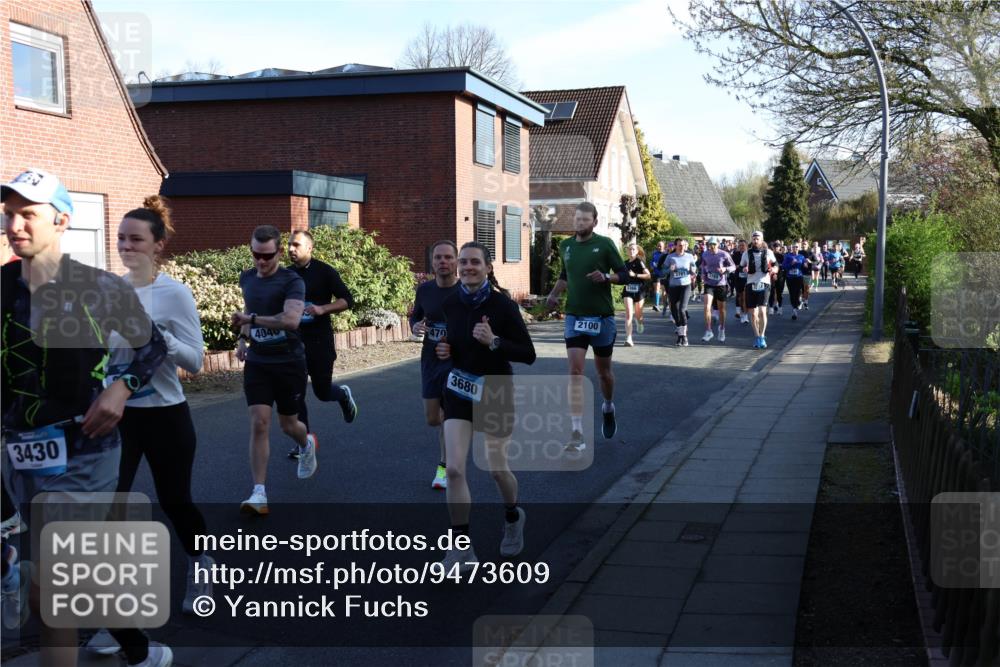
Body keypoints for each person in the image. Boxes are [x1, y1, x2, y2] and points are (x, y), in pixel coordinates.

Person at [1, 168, 172, 667]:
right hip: (15, 452)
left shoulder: (97, 288)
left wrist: (121, 388)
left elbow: (152, 347)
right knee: (67, 578)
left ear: (62, 220)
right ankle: (135, 643)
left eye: (28, 214)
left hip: (84, 450)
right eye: (9, 214)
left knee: (52, 588)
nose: (16, 225)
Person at [85, 197, 214, 657]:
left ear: (158, 245)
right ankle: (118, 617)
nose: (126, 246)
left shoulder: (173, 293)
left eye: (136, 239)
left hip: (165, 414)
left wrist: (157, 335)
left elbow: (196, 362)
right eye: (120, 238)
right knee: (108, 513)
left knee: (175, 501)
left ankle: (203, 565)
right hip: (118, 417)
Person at [434, 241, 536, 570]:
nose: (467, 267)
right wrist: (445, 350)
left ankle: (512, 516)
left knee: (496, 469)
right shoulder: (450, 303)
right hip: (459, 390)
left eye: (474, 262)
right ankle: (462, 549)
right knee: (453, 469)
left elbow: (527, 354)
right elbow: (451, 341)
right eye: (463, 262)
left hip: (494, 390)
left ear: (488, 267)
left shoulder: (502, 306)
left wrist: (493, 341)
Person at [232, 225, 316, 515]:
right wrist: (243, 337)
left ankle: (306, 445)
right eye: (256, 254)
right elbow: (248, 309)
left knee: (289, 425)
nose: (261, 261)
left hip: (289, 362)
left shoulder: (291, 281)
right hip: (258, 363)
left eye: (267, 256)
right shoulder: (247, 278)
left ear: (279, 252)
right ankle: (258, 494)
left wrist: (252, 320)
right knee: (259, 423)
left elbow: (291, 320)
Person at [546, 202, 628, 451]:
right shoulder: (566, 246)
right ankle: (577, 432)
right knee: (575, 372)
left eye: (585, 220)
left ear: (595, 221)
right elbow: (565, 275)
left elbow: (623, 274)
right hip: (574, 317)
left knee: (604, 373)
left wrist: (606, 277)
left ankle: (607, 405)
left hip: (602, 317)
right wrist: (553, 295)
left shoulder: (604, 244)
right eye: (577, 220)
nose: (580, 223)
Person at [286, 230, 357, 461]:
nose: (290, 249)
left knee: (322, 392)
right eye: (289, 245)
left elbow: (348, 300)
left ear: (310, 248)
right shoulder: (285, 275)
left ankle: (342, 395)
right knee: (296, 393)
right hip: (294, 342)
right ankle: (304, 443)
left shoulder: (324, 271)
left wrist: (322, 309)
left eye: (296, 245)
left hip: (320, 341)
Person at [410, 240, 461, 489]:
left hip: (457, 359)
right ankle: (451, 449)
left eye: (448, 257)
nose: (443, 262)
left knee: (450, 413)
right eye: (438, 257)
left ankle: (445, 466)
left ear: (456, 262)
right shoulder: (425, 290)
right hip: (430, 357)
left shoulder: (466, 290)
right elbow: (416, 315)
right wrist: (415, 326)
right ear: (432, 262)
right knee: (433, 418)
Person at [740, 231, 777, 349]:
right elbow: (741, 266)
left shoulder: (769, 252)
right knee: (753, 314)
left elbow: (776, 265)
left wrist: (774, 270)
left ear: (762, 240)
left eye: (758, 238)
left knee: (762, 311)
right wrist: (744, 269)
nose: (755, 241)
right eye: (754, 238)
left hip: (764, 283)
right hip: (751, 284)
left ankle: (762, 336)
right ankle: (756, 336)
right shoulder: (746, 253)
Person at [699, 237, 735, 343]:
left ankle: (722, 329)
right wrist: (703, 275)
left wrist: (725, 269)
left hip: (721, 284)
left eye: (714, 244)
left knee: (721, 309)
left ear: (718, 244)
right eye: (710, 244)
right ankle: (708, 330)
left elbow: (733, 266)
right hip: (709, 283)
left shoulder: (724, 254)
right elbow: (703, 265)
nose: (712, 246)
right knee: (706, 307)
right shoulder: (705, 254)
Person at [664, 238, 697, 346]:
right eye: (679, 245)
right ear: (675, 246)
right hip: (673, 286)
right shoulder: (670, 257)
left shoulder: (689, 256)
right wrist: (670, 269)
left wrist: (693, 271)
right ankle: (680, 334)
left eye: (683, 245)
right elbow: (662, 271)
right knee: (674, 310)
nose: (682, 247)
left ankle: (684, 336)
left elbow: (694, 267)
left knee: (682, 309)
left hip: (685, 285)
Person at [622, 242, 650, 347]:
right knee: (629, 313)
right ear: (627, 251)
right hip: (628, 290)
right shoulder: (624, 263)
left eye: (633, 249)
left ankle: (639, 321)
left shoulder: (640, 262)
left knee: (638, 315)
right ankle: (629, 338)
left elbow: (648, 275)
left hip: (639, 290)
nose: (631, 251)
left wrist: (635, 275)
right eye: (630, 249)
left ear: (637, 251)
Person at [782, 242, 808, 320]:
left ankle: (797, 302)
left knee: (798, 292)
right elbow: (784, 266)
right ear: (791, 248)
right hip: (790, 278)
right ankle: (794, 310)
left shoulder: (801, 256)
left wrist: (805, 265)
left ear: (798, 248)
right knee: (792, 293)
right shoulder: (787, 256)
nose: (795, 248)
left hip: (799, 277)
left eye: (796, 247)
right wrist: (791, 264)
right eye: (794, 247)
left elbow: (805, 266)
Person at [731, 239, 749, 323]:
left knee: (745, 297)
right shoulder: (735, 254)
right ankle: (741, 312)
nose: (741, 247)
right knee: (740, 297)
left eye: (743, 245)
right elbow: (731, 265)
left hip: (748, 278)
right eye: (740, 245)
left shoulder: (750, 254)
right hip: (738, 277)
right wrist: (736, 266)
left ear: (746, 246)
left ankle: (745, 315)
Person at [768, 241, 786, 316]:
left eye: (777, 247)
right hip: (772, 276)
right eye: (775, 247)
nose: (776, 248)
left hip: (780, 276)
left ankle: (780, 307)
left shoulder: (782, 256)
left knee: (779, 292)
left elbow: (784, 266)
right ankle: (771, 308)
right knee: (771, 292)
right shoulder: (771, 256)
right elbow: (769, 265)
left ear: (780, 248)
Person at [650, 241, 667, 312]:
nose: (659, 247)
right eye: (658, 246)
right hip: (656, 274)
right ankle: (656, 305)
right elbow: (651, 262)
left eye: (660, 246)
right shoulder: (654, 253)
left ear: (664, 246)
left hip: (663, 274)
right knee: (656, 288)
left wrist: (662, 266)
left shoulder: (666, 254)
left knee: (664, 292)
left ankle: (665, 306)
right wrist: (652, 266)